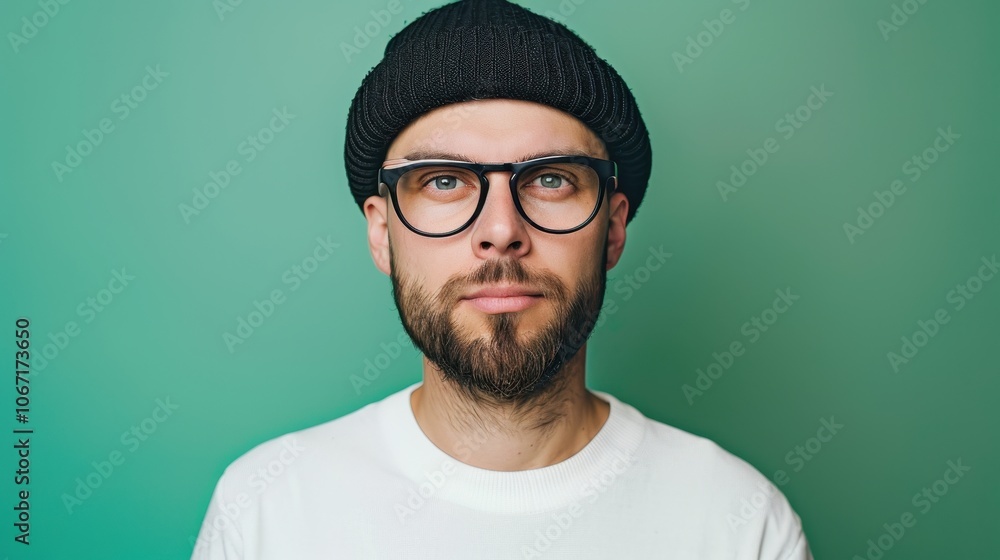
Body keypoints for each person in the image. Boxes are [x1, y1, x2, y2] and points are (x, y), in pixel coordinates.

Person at [192, 0, 813, 558]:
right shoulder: (267, 510)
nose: (499, 231)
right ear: (381, 233)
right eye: (443, 180)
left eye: (551, 179)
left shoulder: (740, 523)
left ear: (614, 229)